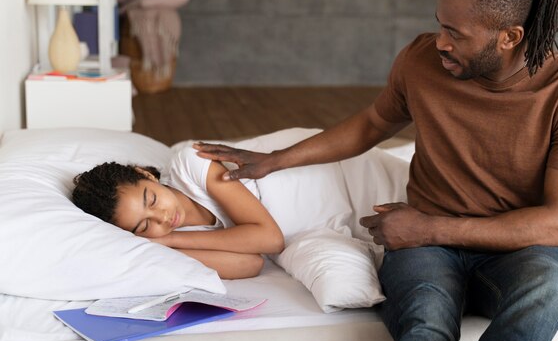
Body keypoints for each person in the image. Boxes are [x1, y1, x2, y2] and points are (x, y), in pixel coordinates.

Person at [193, 0, 558, 341]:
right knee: (426, 324)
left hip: (514, 252)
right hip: (427, 254)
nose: (441, 42)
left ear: (509, 37)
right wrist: (275, 160)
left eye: (456, 33)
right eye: (440, 24)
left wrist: (427, 227)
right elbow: (373, 124)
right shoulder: (421, 60)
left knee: (550, 281)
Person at [72, 129, 409, 280]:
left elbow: (269, 240)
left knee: (433, 198)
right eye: (145, 225)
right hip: (339, 214)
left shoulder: (191, 162)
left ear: (145, 173)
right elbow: (249, 265)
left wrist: (170, 239)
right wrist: (166, 245)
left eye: (152, 199)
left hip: (340, 176)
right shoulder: (173, 237)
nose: (162, 218)